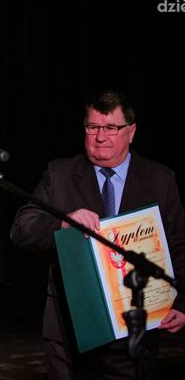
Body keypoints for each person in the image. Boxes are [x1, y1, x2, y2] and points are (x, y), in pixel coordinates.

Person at [10, 90, 185, 379]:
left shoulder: (160, 179)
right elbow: (21, 230)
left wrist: (181, 304)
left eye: (111, 128)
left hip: (134, 330)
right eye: (93, 127)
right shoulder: (60, 173)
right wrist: (63, 223)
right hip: (69, 330)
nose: (100, 137)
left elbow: (178, 245)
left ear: (131, 132)